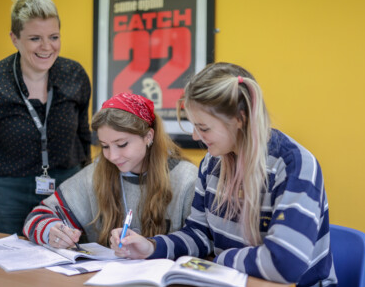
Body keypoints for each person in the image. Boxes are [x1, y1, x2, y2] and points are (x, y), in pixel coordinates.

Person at [109, 63, 338, 286]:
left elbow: (285, 263)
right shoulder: (212, 162)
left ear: (240, 119)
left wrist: (222, 259)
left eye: (204, 128)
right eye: (194, 126)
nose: (196, 137)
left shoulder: (294, 164)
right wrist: (150, 247)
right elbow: (200, 235)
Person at [0, 0, 91, 236]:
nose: (47, 47)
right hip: (8, 191)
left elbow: (83, 136)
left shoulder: (74, 75)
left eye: (54, 37)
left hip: (66, 188)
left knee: (64, 260)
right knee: (8, 265)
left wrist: (88, 190)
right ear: (14, 38)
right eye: (35, 38)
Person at [23, 93, 198, 248]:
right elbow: (36, 217)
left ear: (148, 136)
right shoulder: (97, 173)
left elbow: (201, 242)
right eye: (105, 146)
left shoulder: (186, 179)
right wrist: (51, 231)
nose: (112, 156)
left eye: (122, 144)